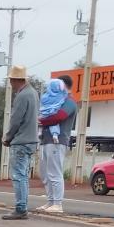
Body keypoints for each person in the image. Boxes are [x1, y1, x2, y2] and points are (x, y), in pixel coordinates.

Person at [1, 65, 39, 220]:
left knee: (18, 175)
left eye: (11, 80)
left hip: (21, 141)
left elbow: (16, 120)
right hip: (31, 140)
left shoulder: (22, 96)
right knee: (23, 176)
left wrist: (8, 137)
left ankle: (20, 208)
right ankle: (23, 206)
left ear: (17, 80)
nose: (10, 83)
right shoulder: (33, 93)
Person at [37, 75, 76, 214]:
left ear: (62, 85)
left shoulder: (69, 102)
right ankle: (50, 201)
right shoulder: (56, 101)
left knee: (54, 173)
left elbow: (60, 116)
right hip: (46, 140)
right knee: (45, 173)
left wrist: (42, 121)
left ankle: (58, 203)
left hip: (58, 141)